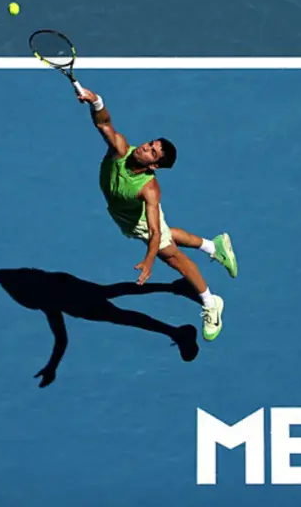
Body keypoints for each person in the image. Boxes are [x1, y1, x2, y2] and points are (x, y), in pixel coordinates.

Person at [75, 85, 237, 342]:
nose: (145, 147)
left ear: (154, 166)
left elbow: (154, 231)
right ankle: (212, 246)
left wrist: (150, 260)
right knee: (167, 235)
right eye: (150, 144)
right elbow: (104, 124)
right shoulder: (120, 150)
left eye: (152, 152)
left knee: (171, 255)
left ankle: (210, 302)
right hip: (125, 216)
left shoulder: (149, 190)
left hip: (140, 220)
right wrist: (96, 102)